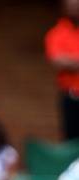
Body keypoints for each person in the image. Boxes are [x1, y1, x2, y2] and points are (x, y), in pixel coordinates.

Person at [45, 0, 79, 140]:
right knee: (72, 141)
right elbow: (58, 61)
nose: (75, 9)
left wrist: (72, 61)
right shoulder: (57, 33)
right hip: (72, 98)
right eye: (71, 6)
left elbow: (67, 61)